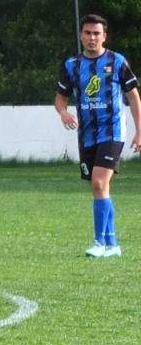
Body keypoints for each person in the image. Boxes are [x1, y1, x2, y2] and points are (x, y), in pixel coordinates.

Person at [56, 14, 141, 258]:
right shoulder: (72, 65)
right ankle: (113, 244)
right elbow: (60, 98)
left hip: (113, 131)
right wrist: (63, 113)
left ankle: (99, 242)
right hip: (87, 135)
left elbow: (134, 96)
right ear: (81, 35)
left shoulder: (117, 61)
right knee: (100, 188)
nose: (92, 37)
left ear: (104, 36)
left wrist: (140, 132)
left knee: (99, 183)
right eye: (87, 33)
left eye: (96, 33)